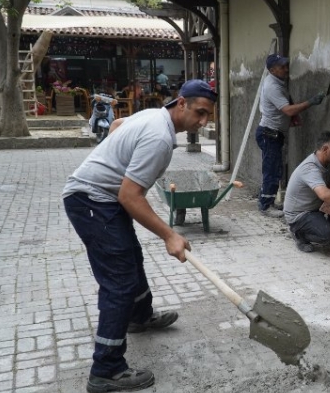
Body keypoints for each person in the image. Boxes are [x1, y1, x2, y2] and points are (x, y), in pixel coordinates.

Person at [62, 80, 217, 393]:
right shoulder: (160, 137)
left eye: (208, 117)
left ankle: (140, 316)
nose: (202, 122)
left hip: (101, 198)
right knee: (118, 281)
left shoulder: (153, 116)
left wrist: (113, 156)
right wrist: (169, 235)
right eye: (200, 113)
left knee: (131, 256)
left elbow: (118, 124)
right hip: (91, 201)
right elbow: (130, 197)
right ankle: (106, 369)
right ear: (182, 104)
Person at [256, 53, 326, 218]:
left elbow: (286, 107)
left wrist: (292, 118)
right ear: (272, 69)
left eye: (286, 65)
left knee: (274, 168)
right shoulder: (272, 86)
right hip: (269, 133)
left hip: (273, 133)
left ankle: (268, 201)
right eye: (282, 67)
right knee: (272, 170)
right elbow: (286, 109)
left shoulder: (277, 82)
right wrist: (311, 102)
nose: (286, 69)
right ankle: (265, 206)